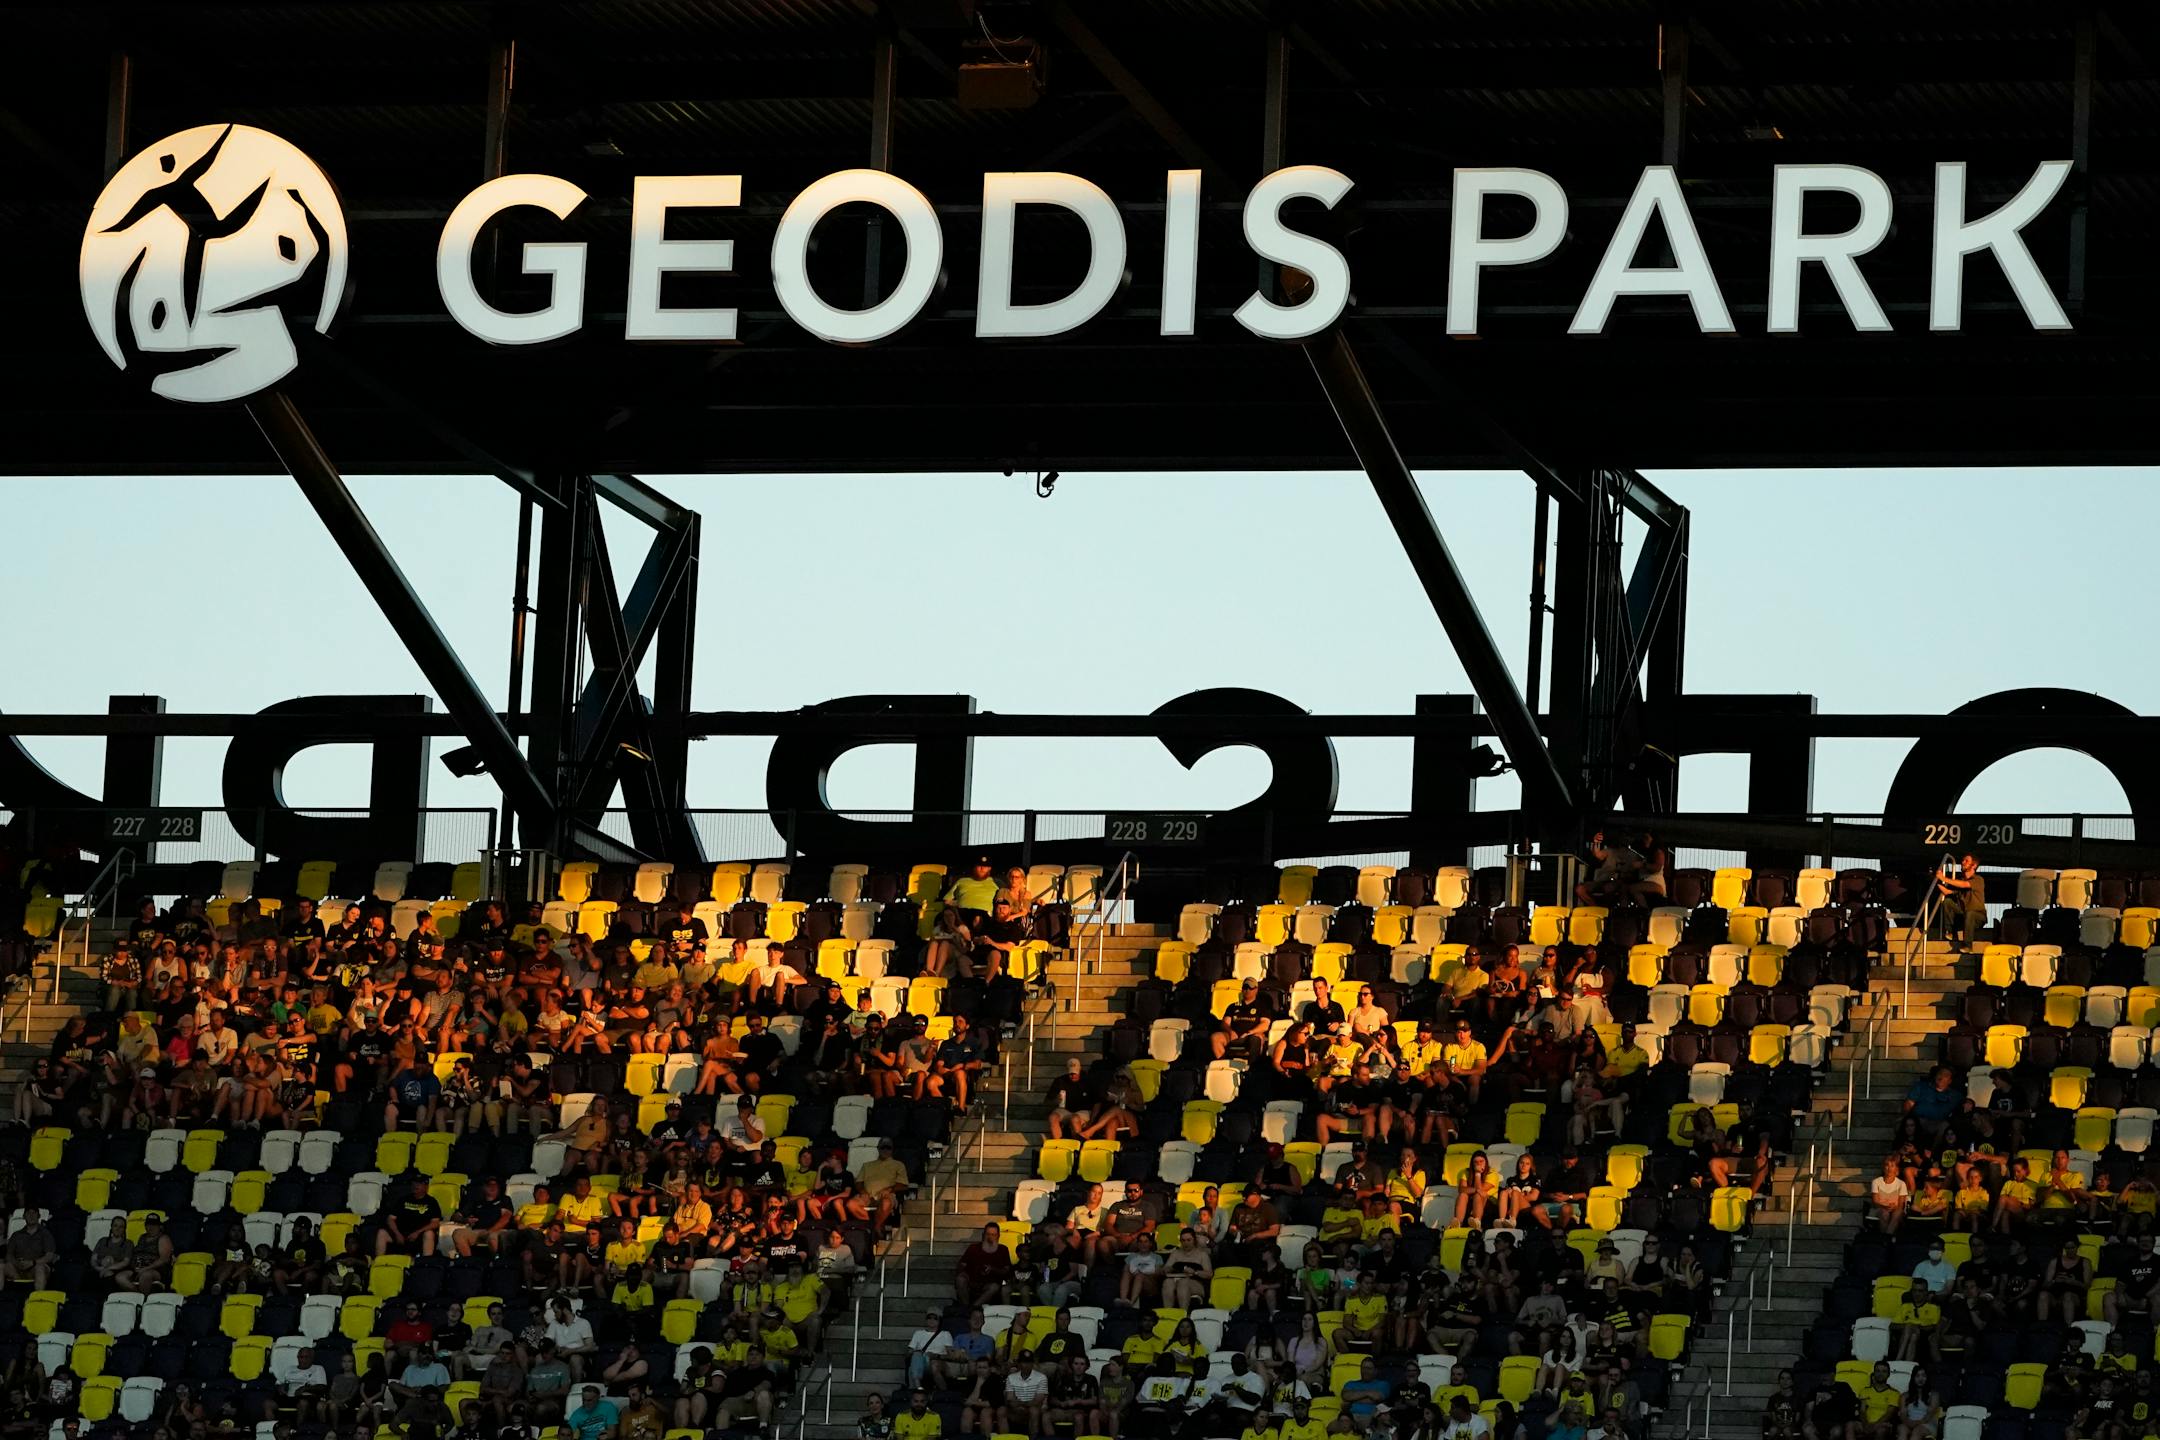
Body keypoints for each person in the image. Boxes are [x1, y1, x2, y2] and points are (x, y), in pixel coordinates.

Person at [1935, 855, 1985, 947]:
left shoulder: (1978, 879)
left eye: (1966, 861)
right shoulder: (1961, 881)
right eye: (1963, 860)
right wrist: (1936, 880)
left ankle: (1967, 946)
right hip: (1964, 916)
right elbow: (1948, 892)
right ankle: (1950, 932)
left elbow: (1964, 884)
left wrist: (1944, 878)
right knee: (1948, 902)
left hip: (1978, 917)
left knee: (1970, 913)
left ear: (1974, 865)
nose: (1963, 862)